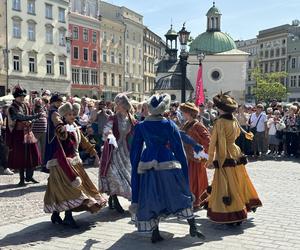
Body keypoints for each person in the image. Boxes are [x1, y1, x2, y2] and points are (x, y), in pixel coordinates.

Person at [130, 94, 205, 243]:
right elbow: (178, 149)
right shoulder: (169, 124)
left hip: (147, 163)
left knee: (151, 195)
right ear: (164, 108)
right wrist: (184, 172)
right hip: (167, 161)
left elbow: (135, 151)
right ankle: (192, 225)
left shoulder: (141, 126)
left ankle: (155, 232)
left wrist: (134, 168)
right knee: (178, 190)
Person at [44, 102, 107, 228]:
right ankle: (66, 216)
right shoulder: (63, 128)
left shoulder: (75, 127)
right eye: (69, 114)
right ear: (64, 116)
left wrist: (93, 152)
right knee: (69, 190)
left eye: (73, 114)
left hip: (75, 162)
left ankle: (58, 215)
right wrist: (60, 124)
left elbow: (83, 141)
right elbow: (62, 133)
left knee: (69, 190)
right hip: (62, 164)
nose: (72, 116)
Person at [203, 92, 262, 225]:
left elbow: (215, 142)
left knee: (227, 183)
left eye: (218, 107)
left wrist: (212, 159)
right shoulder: (233, 119)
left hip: (225, 154)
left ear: (221, 108)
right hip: (235, 151)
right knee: (238, 180)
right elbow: (240, 132)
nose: (216, 109)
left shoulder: (220, 122)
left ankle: (231, 212)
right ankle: (242, 206)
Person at [99, 93, 135, 213]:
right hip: (113, 150)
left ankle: (114, 198)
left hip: (126, 150)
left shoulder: (131, 118)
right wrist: (109, 133)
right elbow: (106, 129)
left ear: (124, 104)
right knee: (114, 174)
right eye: (116, 103)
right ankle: (114, 198)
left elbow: (136, 132)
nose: (116, 106)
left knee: (127, 175)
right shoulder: (113, 118)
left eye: (118, 103)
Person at [6, 85, 41, 186]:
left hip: (29, 132)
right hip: (18, 134)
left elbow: (30, 118)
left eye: (23, 96)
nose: (22, 98)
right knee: (21, 157)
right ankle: (21, 179)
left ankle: (30, 176)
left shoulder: (26, 105)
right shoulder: (12, 108)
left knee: (33, 154)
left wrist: (32, 119)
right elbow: (20, 117)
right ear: (15, 97)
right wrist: (34, 116)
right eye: (20, 96)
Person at [180, 102, 210, 209]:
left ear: (188, 113)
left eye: (183, 112)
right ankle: (190, 199)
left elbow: (208, 140)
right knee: (189, 178)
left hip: (196, 158)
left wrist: (199, 152)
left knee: (197, 179)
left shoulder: (198, 125)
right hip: (187, 157)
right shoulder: (186, 124)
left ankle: (198, 201)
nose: (182, 114)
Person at [43, 94, 64, 173]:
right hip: (54, 137)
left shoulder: (51, 110)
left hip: (52, 136)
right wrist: (64, 125)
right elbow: (58, 123)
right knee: (54, 157)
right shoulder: (54, 112)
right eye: (59, 102)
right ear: (54, 102)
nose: (60, 104)